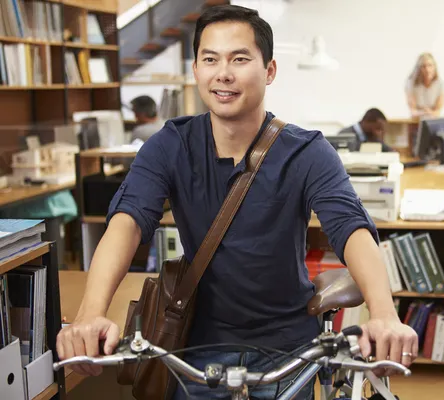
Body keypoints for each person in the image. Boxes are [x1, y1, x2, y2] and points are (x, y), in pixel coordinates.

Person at [55, 5, 418, 400]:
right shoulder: (169, 145)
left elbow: (351, 228)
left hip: (288, 349)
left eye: (240, 59)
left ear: (270, 70)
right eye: (210, 59)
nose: (223, 73)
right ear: (196, 70)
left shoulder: (308, 152)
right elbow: (127, 221)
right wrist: (90, 314)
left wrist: (384, 314)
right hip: (196, 347)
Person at [405, 52, 444, 118]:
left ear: (434, 67)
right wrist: (426, 112)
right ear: (418, 68)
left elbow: (438, 112)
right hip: (416, 121)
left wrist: (427, 112)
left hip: (434, 121)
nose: (427, 69)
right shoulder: (411, 84)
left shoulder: (440, 84)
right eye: (423, 66)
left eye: (430, 65)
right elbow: (413, 112)